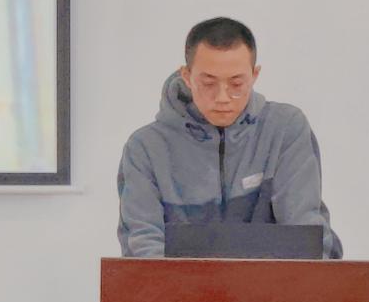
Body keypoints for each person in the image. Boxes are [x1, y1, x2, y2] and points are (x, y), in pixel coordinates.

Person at [117, 17, 342, 258]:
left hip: (276, 281)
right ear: (187, 76)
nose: (222, 98)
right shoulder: (145, 148)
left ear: (254, 75)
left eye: (236, 83)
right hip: (177, 282)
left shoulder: (285, 129)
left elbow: (306, 235)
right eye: (208, 83)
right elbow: (143, 246)